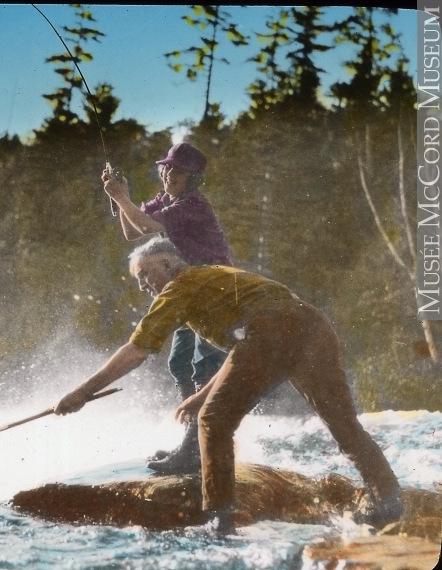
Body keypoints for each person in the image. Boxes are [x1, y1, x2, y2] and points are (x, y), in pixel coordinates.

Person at [54, 237, 404, 537]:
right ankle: (387, 499)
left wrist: (83, 393)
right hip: (311, 324)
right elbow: (245, 350)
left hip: (273, 327)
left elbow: (138, 349)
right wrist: (201, 395)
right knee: (342, 423)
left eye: (145, 274)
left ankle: (218, 519)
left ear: (168, 262)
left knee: (213, 421)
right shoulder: (208, 280)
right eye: (138, 279)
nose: (143, 284)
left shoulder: (180, 285)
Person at [101, 142, 232, 475]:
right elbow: (133, 231)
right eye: (167, 168)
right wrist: (118, 197)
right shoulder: (165, 200)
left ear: (193, 179)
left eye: (178, 171)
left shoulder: (193, 205)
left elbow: (147, 227)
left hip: (214, 290)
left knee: (204, 366)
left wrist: (121, 198)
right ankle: (191, 444)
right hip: (189, 291)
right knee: (178, 363)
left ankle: (197, 448)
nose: (170, 175)